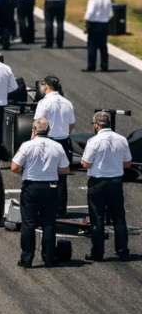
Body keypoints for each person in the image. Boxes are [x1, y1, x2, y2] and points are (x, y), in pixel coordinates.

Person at [11, 116, 70, 268]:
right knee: (49, 224)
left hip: (31, 187)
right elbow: (65, 169)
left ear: (34, 130)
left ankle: (27, 258)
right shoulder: (57, 146)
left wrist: (25, 172)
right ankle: (49, 258)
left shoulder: (27, 145)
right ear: (48, 130)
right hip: (50, 187)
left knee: (29, 224)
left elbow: (14, 167)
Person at [81, 111, 132, 262]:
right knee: (119, 217)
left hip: (98, 183)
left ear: (97, 125)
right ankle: (122, 250)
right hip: (116, 182)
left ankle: (98, 253)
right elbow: (128, 163)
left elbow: (85, 163)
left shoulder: (94, 141)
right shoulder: (122, 139)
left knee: (97, 218)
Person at [34, 76, 74, 215]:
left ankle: (45, 208)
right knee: (62, 177)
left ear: (46, 86)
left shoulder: (44, 103)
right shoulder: (67, 102)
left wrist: (33, 142)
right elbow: (71, 124)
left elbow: (37, 124)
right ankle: (61, 209)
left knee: (44, 175)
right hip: (63, 142)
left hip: (47, 141)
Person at [84, 0, 113, 72]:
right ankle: (104, 65)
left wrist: (86, 25)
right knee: (103, 46)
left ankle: (91, 65)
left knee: (92, 45)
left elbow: (90, 13)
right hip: (104, 24)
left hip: (94, 24)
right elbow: (111, 14)